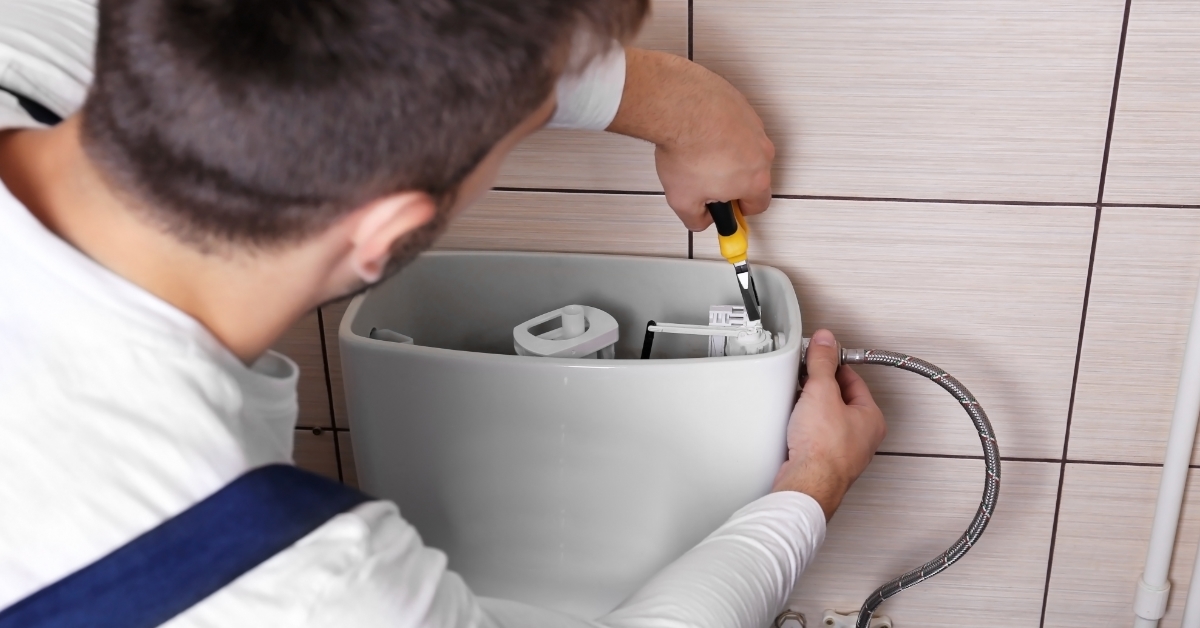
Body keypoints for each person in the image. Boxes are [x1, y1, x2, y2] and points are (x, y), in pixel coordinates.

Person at [0, 0, 887, 626]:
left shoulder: (38, 33)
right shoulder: (297, 587)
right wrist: (814, 483)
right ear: (383, 235)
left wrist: (679, 106)